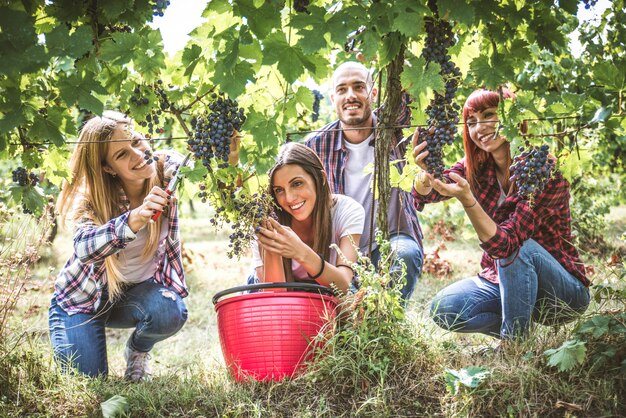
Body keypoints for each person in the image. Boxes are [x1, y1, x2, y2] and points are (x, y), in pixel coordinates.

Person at [411, 88, 591, 340]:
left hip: (561, 292)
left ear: (513, 117)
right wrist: (425, 171)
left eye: (489, 115)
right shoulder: (478, 166)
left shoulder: (542, 170)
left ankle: (513, 345)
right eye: (471, 122)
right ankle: (522, 330)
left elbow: (506, 244)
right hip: (504, 280)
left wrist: (468, 200)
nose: (479, 127)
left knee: (520, 248)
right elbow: (427, 193)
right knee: (445, 308)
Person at [49, 111, 188, 381]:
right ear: (108, 168)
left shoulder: (164, 168)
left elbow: (199, 170)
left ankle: (137, 351)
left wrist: (228, 155)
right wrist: (134, 218)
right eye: (122, 154)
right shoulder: (90, 199)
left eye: (136, 141)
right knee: (87, 382)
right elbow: (84, 248)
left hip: (133, 296)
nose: (137, 154)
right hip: (81, 301)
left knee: (168, 310)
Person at [305, 61, 424, 303]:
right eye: (342, 89)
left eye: (359, 87)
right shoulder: (315, 146)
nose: (351, 96)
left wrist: (385, 54)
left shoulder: (395, 130)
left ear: (374, 92)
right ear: (332, 98)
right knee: (345, 316)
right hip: (338, 249)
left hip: (392, 237)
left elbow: (407, 84)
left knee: (404, 255)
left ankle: (387, 327)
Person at [251, 142, 365, 294]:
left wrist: (301, 252)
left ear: (321, 178)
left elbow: (344, 286)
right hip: (284, 299)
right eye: (279, 190)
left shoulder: (348, 211)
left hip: (330, 295)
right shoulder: (267, 221)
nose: (290, 198)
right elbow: (275, 297)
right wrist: (273, 248)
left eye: (297, 184)